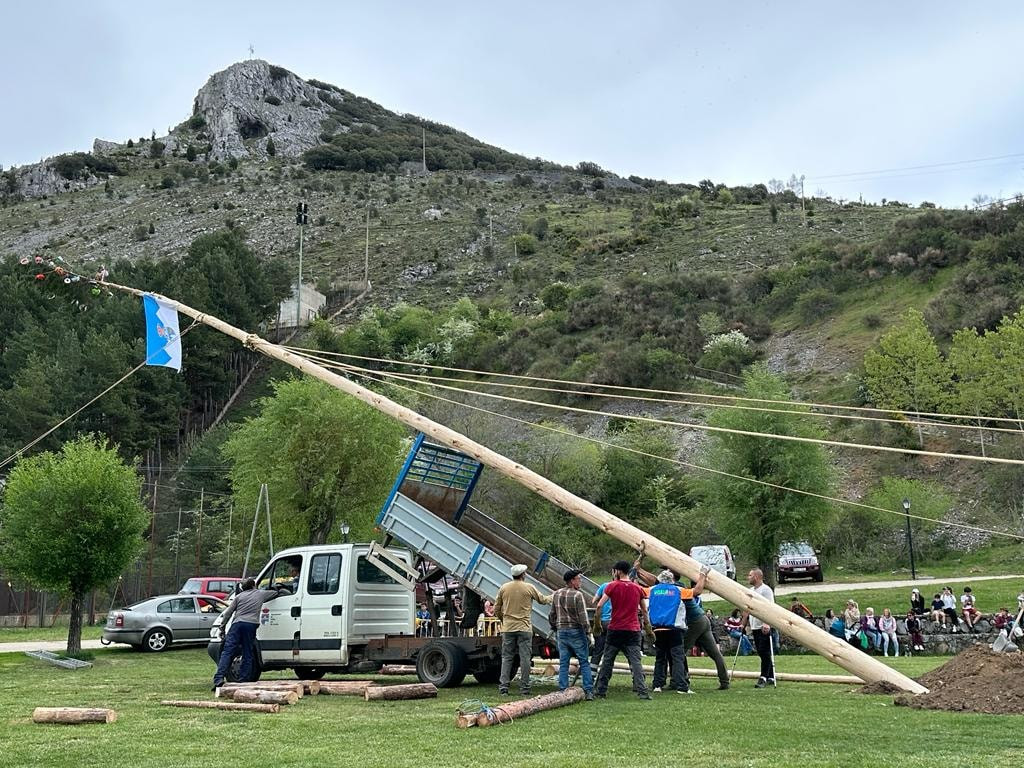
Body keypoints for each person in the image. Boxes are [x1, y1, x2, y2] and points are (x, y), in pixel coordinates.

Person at [212, 578, 287, 689]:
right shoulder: (260, 594)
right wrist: (277, 588)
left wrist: (222, 628)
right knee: (247, 652)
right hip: (250, 625)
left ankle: (218, 679)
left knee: (227, 652)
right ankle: (244, 679)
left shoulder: (239, 597)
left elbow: (228, 613)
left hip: (236, 625)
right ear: (254, 585)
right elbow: (276, 593)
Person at [594, 560, 652, 700]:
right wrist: (648, 628)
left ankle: (601, 691)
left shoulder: (612, 586)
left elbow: (599, 606)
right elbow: (644, 610)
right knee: (635, 662)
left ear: (618, 571)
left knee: (608, 660)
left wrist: (597, 624)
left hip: (615, 629)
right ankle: (642, 691)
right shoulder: (637, 588)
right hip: (633, 630)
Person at [646, 567, 708, 694]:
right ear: (672, 580)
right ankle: (681, 686)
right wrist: (702, 575)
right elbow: (697, 591)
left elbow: (637, 590)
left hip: (657, 628)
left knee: (660, 658)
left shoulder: (652, 590)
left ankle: (657, 685)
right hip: (674, 629)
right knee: (677, 658)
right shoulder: (678, 590)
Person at [494, 563, 551, 696]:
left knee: (507, 657)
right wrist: (554, 596)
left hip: (508, 628)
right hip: (524, 627)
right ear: (523, 575)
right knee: (525, 658)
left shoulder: (504, 588)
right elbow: (542, 600)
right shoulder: (529, 587)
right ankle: (524, 688)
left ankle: (504, 687)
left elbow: (496, 608)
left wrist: (504, 620)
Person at [549, 569, 594, 701]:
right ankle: (588, 690)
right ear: (572, 581)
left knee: (564, 662)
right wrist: (589, 632)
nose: (580, 581)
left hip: (561, 631)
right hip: (576, 631)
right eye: (578, 579)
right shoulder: (577, 595)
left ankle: (563, 689)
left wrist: (554, 626)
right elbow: (583, 617)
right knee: (584, 661)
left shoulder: (556, 594)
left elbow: (552, 614)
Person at [681, 574, 729, 690]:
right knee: (715, 654)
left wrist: (702, 576)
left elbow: (697, 591)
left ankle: (682, 679)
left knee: (679, 651)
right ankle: (725, 681)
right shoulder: (689, 594)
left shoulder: (683, 593)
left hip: (695, 622)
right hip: (704, 620)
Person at [742, 568, 775, 689]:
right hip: (755, 625)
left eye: (750, 575)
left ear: (756, 577)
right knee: (761, 652)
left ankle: (763, 677)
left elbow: (770, 607)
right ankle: (771, 675)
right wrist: (743, 623)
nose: (748, 577)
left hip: (763, 625)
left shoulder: (766, 590)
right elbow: (747, 608)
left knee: (764, 651)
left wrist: (767, 623)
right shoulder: (751, 591)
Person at [590, 580, 613, 668]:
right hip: (614, 623)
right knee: (610, 651)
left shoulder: (604, 585)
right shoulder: (623, 587)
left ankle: (592, 675)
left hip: (602, 622)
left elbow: (594, 600)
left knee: (598, 650)